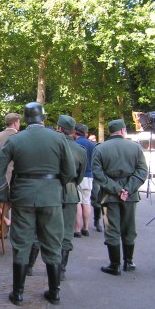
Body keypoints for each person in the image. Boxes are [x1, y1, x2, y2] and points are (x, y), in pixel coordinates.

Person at [0, 102, 76, 305]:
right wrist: (56, 186)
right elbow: (70, 171)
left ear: (25, 119)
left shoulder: (15, 140)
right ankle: (54, 292)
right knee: (53, 243)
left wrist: (4, 196)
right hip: (51, 197)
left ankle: (18, 294)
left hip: (22, 197)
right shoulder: (58, 138)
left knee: (21, 243)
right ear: (43, 118)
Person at [92, 119, 147, 276]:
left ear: (110, 131)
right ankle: (128, 262)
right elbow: (142, 171)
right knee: (129, 227)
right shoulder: (135, 148)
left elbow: (98, 173)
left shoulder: (101, 148)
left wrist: (116, 189)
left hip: (110, 194)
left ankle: (114, 265)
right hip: (130, 194)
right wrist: (128, 189)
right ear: (123, 131)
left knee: (112, 228)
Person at [56, 116, 86, 280]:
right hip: (70, 191)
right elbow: (80, 176)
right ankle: (61, 270)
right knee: (67, 232)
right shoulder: (80, 150)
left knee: (44, 229)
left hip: (52, 190)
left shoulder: (52, 144)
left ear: (59, 128)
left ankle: (31, 266)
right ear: (73, 130)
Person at [73, 124, 96, 237]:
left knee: (78, 202)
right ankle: (85, 228)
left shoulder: (75, 144)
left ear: (75, 132)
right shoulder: (92, 145)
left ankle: (76, 229)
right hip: (89, 175)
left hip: (79, 176)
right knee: (86, 202)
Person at [0, 113, 21, 183]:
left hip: (1, 175)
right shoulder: (20, 136)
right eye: (19, 122)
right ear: (15, 123)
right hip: (16, 175)